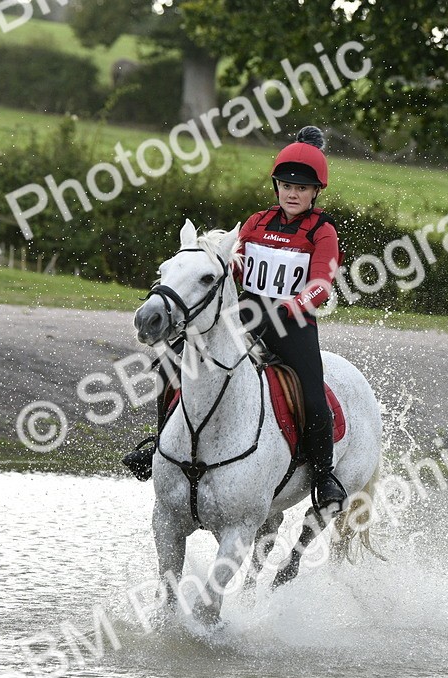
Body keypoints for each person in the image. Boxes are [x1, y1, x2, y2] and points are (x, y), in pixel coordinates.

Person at [123, 125, 347, 513]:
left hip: (292, 324)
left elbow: (322, 285)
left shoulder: (322, 231)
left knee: (313, 397)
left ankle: (325, 476)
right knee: (171, 365)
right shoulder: (257, 222)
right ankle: (158, 444)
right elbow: (235, 268)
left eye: (302, 188)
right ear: (276, 187)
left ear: (315, 193)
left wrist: (286, 308)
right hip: (244, 314)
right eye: (286, 186)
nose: (293, 194)